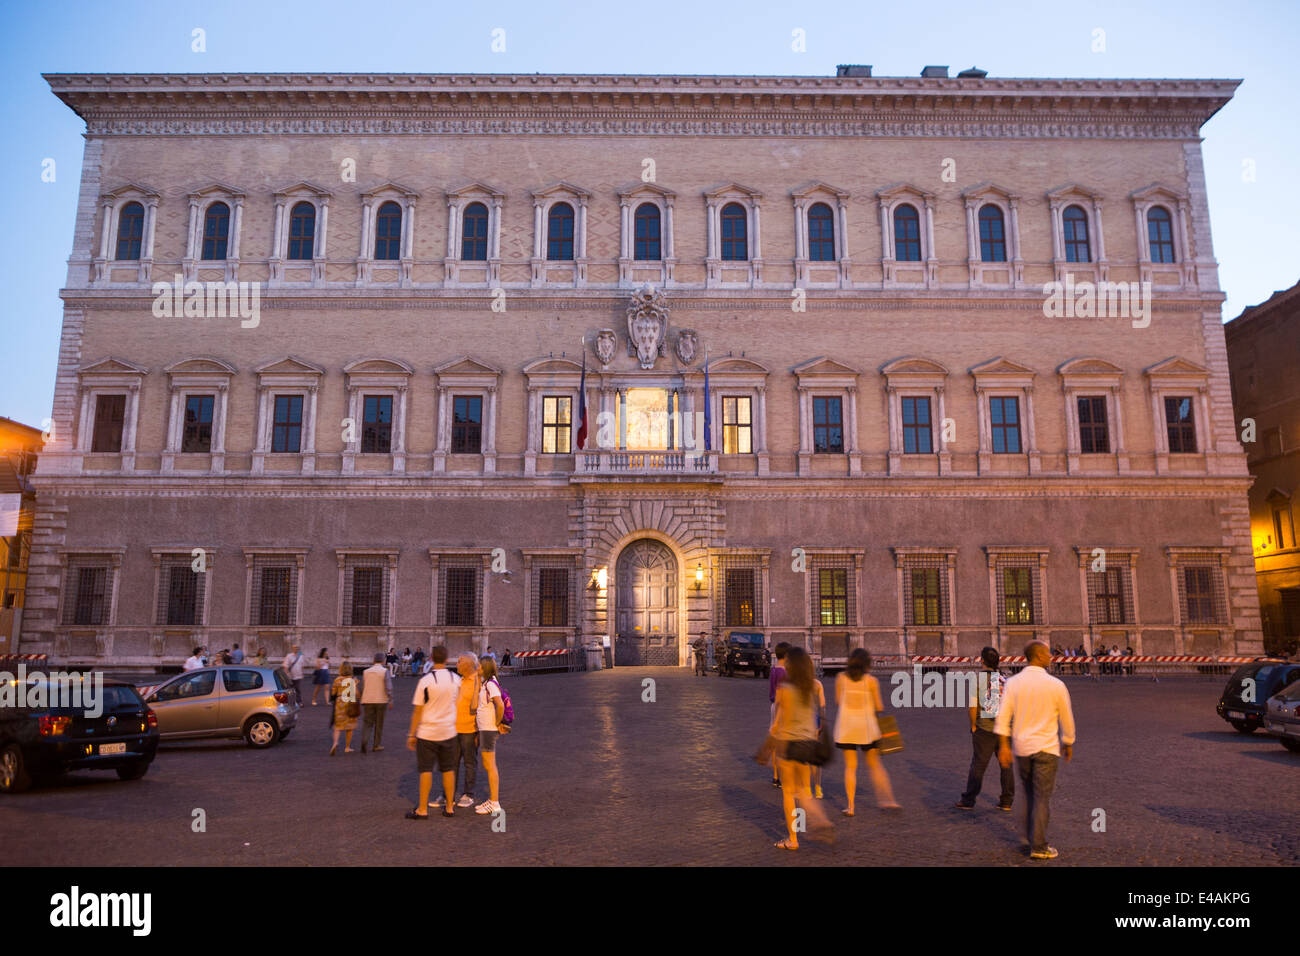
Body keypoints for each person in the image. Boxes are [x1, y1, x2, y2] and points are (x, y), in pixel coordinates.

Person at [996, 641, 1077, 861]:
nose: (1051, 656)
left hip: (1022, 748)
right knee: (1042, 797)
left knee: (1029, 793)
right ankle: (1039, 845)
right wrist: (1068, 742)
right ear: (1039, 656)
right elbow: (1067, 718)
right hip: (1047, 748)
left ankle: (1028, 836)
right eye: (1048, 653)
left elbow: (1003, 716)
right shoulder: (1056, 685)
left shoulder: (1013, 683)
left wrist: (1004, 746)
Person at [769, 647, 831, 850]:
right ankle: (820, 820)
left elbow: (777, 724)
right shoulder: (812, 687)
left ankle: (793, 839)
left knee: (788, 793)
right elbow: (818, 711)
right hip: (808, 742)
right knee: (805, 790)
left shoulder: (785, 688)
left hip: (789, 744)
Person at [835, 648, 898, 815]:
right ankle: (888, 800)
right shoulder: (871, 681)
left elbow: (838, 700)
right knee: (875, 765)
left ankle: (851, 806)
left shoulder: (841, 678)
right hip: (868, 728)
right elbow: (879, 706)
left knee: (850, 767)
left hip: (847, 728)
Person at [956, 647, 1014, 812]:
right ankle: (1006, 801)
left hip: (985, 728)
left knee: (979, 765)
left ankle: (968, 800)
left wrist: (973, 725)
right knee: (1006, 765)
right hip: (1004, 728)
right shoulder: (1004, 679)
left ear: (982, 660)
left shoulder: (978, 679)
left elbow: (972, 707)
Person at [406, 645, 461, 820]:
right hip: (449, 731)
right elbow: (459, 704)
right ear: (446, 659)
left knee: (426, 770)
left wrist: (411, 734)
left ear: (431, 658)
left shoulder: (426, 680)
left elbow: (417, 710)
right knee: (448, 770)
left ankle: (422, 809)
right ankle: (450, 807)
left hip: (427, 732)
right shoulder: (456, 679)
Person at [444, 653, 482, 809]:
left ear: (468, 664)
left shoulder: (478, 682)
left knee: (469, 763)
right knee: (452, 763)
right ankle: (449, 794)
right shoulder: (459, 681)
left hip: (469, 729)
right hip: (454, 729)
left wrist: (479, 732)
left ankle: (469, 794)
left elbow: (482, 708)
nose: (457, 664)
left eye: (459, 661)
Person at [475, 655, 506, 816]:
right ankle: (492, 799)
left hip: (488, 729)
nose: (477, 668)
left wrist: (496, 723)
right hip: (485, 728)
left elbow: (499, 704)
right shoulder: (486, 683)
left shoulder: (491, 684)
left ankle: (494, 802)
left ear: (485, 668)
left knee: (490, 765)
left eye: (479, 666)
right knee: (488, 765)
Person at [360, 651, 393, 753]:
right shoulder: (384, 671)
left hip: (367, 699)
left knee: (367, 723)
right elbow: (389, 687)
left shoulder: (366, 672)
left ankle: (364, 740)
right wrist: (390, 699)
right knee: (379, 723)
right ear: (383, 660)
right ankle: (376, 745)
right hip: (381, 700)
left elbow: (363, 686)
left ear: (374, 660)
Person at [768, 642, 790, 787]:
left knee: (776, 742)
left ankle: (776, 776)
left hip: (774, 705)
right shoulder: (788, 672)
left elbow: (771, 691)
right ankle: (785, 776)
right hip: (786, 707)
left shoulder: (774, 670)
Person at [329, 662, 359, 755]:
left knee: (338, 727)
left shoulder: (337, 680)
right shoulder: (352, 680)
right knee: (349, 727)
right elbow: (357, 694)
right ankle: (347, 747)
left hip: (339, 703)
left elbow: (333, 693)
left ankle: (335, 743)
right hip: (350, 703)